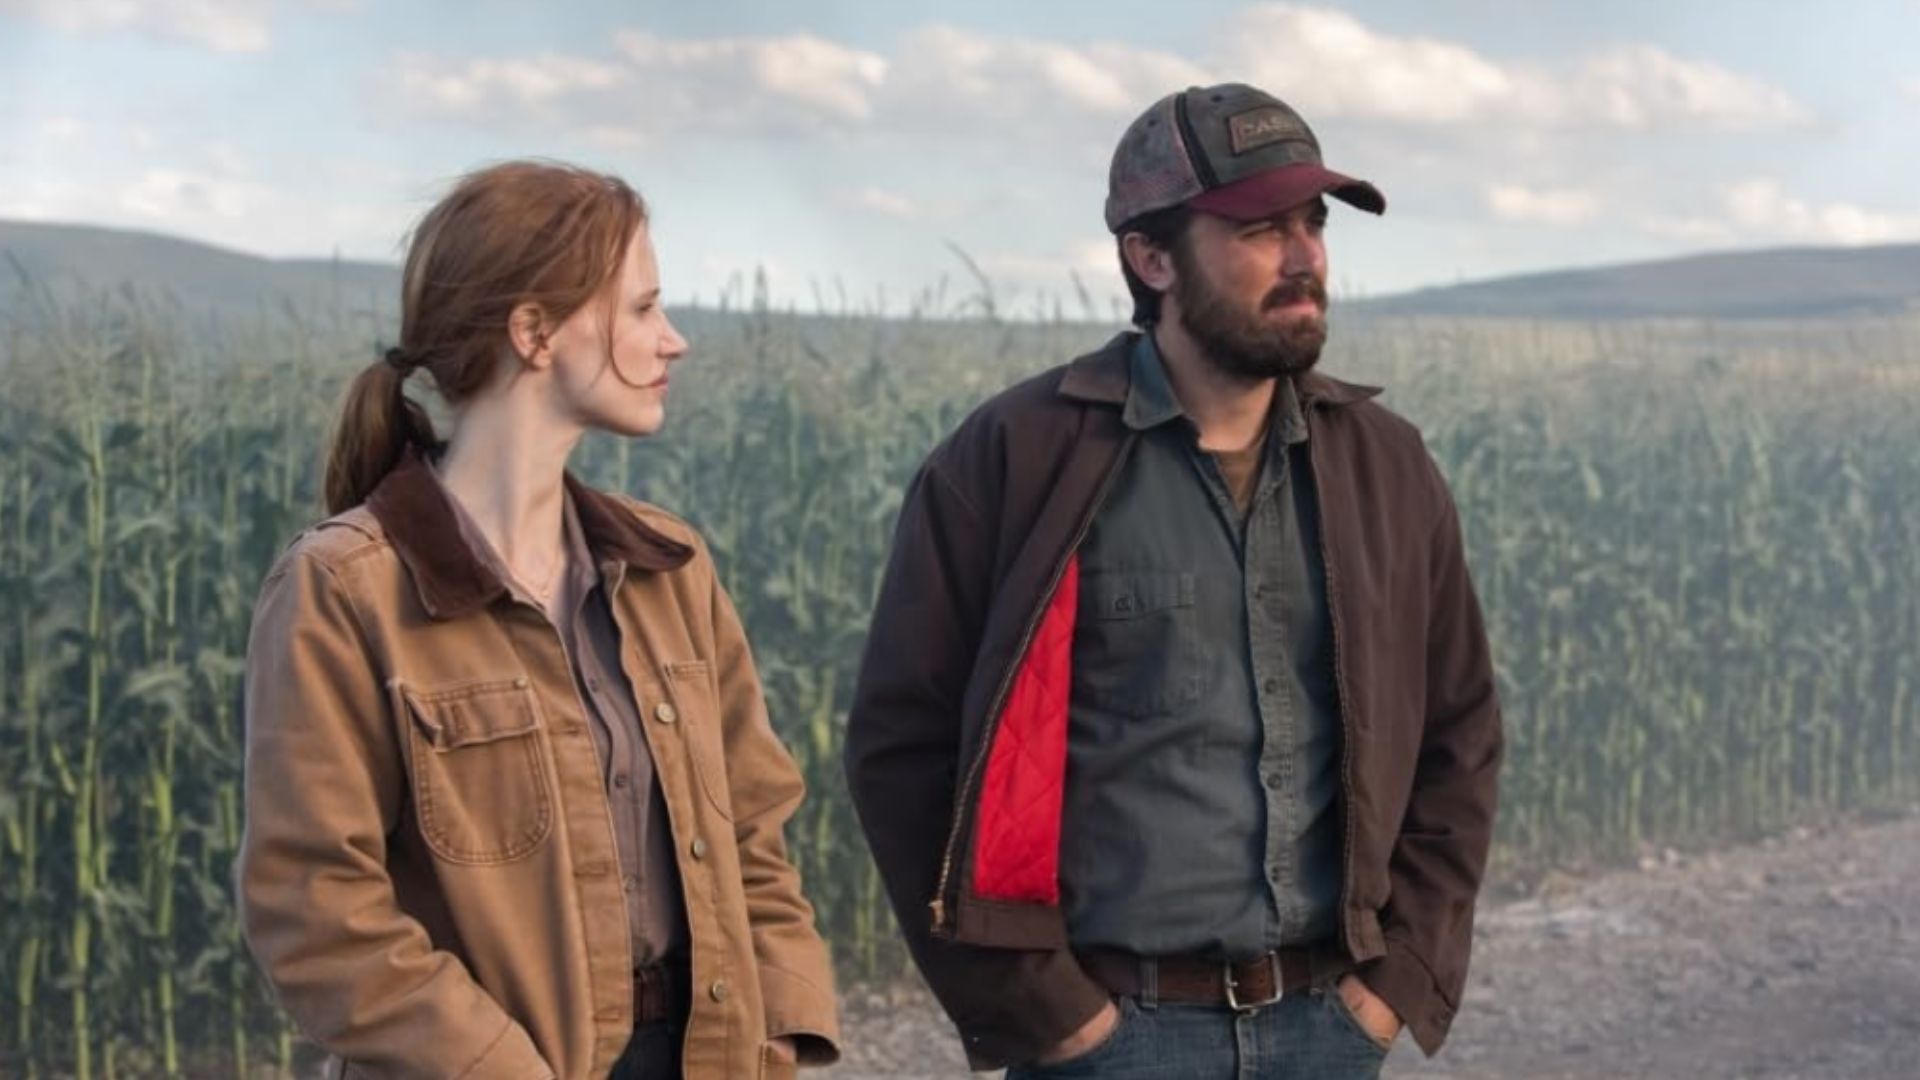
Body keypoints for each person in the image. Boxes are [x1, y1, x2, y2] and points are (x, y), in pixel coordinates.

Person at [845, 84, 1502, 1078]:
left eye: (1313, 224)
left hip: (1330, 1026)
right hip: (1111, 1037)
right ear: (1151, 258)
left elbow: (1461, 731)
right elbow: (906, 746)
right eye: (1259, 227)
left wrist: (1394, 982)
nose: (1305, 257)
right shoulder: (1017, 463)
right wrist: (1050, 1014)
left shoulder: (1385, 466)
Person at [237, 160, 840, 1079]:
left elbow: (753, 824)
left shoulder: (668, 569)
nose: (671, 341)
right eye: (641, 310)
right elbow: (316, 911)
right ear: (534, 332)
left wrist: (781, 1025)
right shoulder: (344, 589)